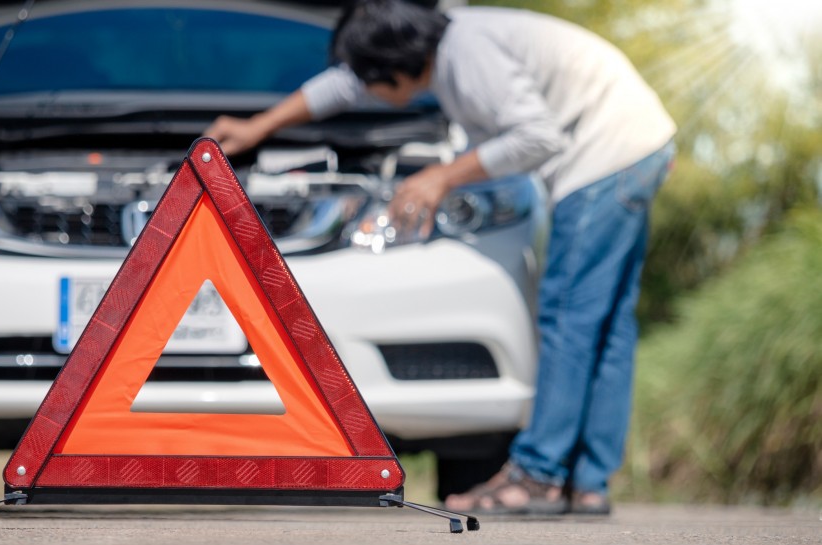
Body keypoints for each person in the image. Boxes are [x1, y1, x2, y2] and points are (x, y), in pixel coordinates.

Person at [203, 0, 676, 515]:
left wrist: (440, 176)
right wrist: (259, 126)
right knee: (606, 324)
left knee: (568, 315)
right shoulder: (442, 41)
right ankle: (587, 482)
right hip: (638, 139)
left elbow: (538, 135)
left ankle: (539, 475)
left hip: (605, 150)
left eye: (373, 80)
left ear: (394, 67)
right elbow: (342, 85)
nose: (371, 94)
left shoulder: (467, 55)